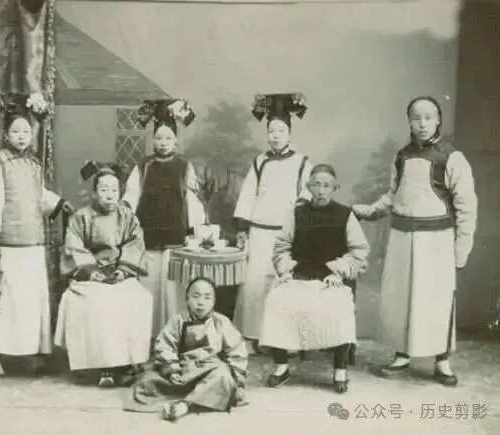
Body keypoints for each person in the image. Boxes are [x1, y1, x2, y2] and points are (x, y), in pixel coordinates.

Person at [352, 96, 477, 386]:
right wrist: (368, 211)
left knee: (436, 298)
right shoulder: (401, 157)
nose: (422, 124)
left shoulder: (452, 158)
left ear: (438, 120)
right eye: (416, 117)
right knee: (401, 298)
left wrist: (461, 249)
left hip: (436, 240)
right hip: (402, 237)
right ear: (409, 121)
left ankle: (441, 361)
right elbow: (392, 196)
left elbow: (467, 207)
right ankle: (402, 355)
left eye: (428, 117)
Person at [0, 92, 74, 376]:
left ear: (32, 135)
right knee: (2, 300)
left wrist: (58, 204)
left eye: (26, 132)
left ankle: (31, 352)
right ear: (6, 134)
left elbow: (36, 195)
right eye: (16, 131)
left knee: (29, 300)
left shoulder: (33, 165)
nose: (21, 137)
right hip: (6, 245)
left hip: (32, 243)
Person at [259, 164, 369, 393]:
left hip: (332, 277)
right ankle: (282, 366)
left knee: (338, 307)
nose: (321, 190)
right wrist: (286, 271)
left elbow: (359, 251)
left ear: (334, 188)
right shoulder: (296, 213)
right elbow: (282, 246)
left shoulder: (345, 214)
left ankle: (340, 370)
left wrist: (339, 271)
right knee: (276, 301)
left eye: (327, 185)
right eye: (316, 184)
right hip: (299, 274)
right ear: (308, 186)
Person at [54, 162, 153, 387]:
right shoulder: (80, 217)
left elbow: (135, 245)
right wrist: (92, 272)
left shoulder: (127, 216)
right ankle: (95, 362)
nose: (110, 195)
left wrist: (123, 271)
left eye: (114, 190)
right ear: (94, 192)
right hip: (90, 273)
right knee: (97, 303)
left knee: (139, 298)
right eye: (104, 189)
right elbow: (73, 247)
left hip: (120, 272)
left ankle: (129, 359)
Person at [232, 93, 312, 353]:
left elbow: (307, 192)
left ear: (289, 133)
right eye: (271, 131)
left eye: (281, 131)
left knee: (282, 284)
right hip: (259, 232)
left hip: (286, 234)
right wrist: (243, 229)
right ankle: (251, 336)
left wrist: (298, 218)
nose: (275, 136)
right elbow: (248, 195)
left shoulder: (302, 162)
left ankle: (283, 339)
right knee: (254, 283)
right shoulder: (260, 161)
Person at [122, 99, 205, 337]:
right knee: (148, 286)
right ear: (153, 140)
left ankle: (175, 335)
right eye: (159, 138)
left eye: (168, 138)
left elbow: (192, 200)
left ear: (176, 140)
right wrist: (125, 219)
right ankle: (146, 335)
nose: (163, 142)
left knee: (173, 288)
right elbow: (132, 196)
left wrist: (195, 230)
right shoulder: (143, 166)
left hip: (175, 235)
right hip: (147, 235)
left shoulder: (184, 167)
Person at [123, 277, 249, 422]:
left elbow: (237, 352)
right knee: (146, 381)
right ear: (187, 299)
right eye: (196, 296)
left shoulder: (221, 322)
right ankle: (202, 397)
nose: (200, 302)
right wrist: (172, 371)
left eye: (207, 297)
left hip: (209, 371)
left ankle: (184, 406)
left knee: (223, 376)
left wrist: (237, 382)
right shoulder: (177, 320)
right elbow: (165, 346)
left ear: (214, 302)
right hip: (181, 372)